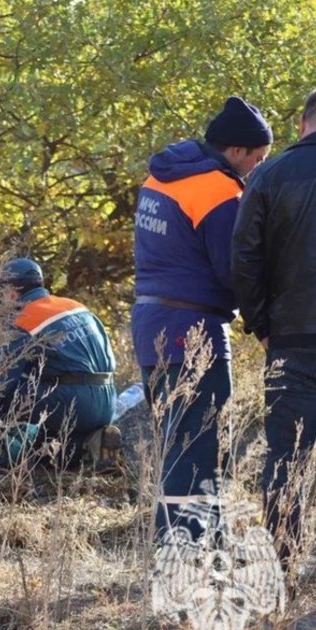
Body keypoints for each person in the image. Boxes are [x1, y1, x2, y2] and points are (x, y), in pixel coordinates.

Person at [131, 96, 272, 543]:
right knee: (199, 441)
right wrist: (265, 323)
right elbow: (235, 269)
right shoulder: (217, 189)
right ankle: (190, 544)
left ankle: (178, 537)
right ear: (238, 150)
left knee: (174, 440)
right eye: (258, 159)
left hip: (149, 321)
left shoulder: (162, 175)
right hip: (193, 329)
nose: (254, 169)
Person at [0, 258, 118, 466]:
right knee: (49, 439)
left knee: (4, 397)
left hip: (75, 403)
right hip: (106, 401)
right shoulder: (77, 307)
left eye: (2, 294)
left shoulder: (27, 320)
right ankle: (87, 445)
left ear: (12, 293)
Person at [232, 89, 316, 564]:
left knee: (286, 458)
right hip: (288, 333)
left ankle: (283, 563)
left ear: (302, 122)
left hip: (291, 339)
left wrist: (261, 325)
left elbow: (244, 260)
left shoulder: (267, 175)